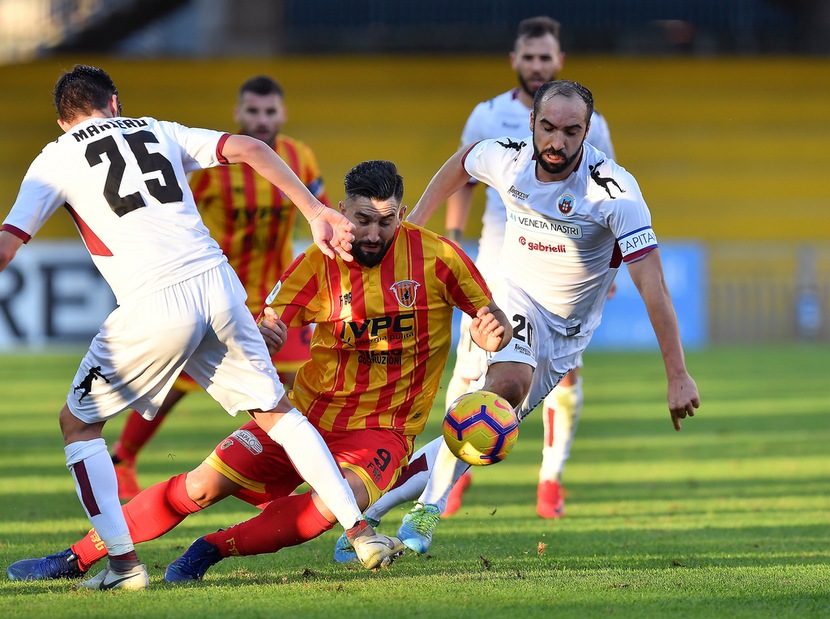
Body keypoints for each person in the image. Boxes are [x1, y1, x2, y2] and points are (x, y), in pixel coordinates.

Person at [6, 160, 511, 583]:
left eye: (387, 221)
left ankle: (210, 549)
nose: (374, 234)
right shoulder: (319, 263)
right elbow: (272, 320)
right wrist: (268, 334)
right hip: (307, 418)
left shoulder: (438, 258)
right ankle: (77, 557)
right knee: (201, 487)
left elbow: (494, 319)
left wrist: (494, 334)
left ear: (401, 213)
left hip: (383, 429)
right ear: (342, 211)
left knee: (334, 506)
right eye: (363, 220)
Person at [0, 65, 400, 590]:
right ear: (114, 102)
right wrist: (314, 209)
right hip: (219, 285)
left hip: (154, 300)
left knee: (78, 426)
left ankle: (123, 567)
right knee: (277, 411)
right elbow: (251, 149)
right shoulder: (157, 128)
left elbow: (7, 246)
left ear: (62, 121)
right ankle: (360, 532)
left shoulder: (55, 158)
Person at [353, 80, 700, 557]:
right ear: (532, 123)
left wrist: (677, 374)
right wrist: (413, 229)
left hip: (567, 333)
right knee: (505, 388)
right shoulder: (509, 157)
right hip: (513, 297)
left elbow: (653, 284)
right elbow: (463, 160)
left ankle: (369, 515)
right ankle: (427, 511)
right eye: (548, 128)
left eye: (571, 132)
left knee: (489, 426)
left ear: (587, 132)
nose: (557, 142)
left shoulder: (614, 191)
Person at [111, 75, 330, 501]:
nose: (262, 119)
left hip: (278, 299)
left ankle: (278, 474)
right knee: (176, 385)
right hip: (220, 295)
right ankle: (124, 457)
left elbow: (316, 207)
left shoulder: (300, 158)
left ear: (282, 113)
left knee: (298, 383)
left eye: (269, 111)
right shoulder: (213, 166)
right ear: (238, 113)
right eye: (253, 111)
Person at [441, 15, 617, 519]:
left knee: (565, 374)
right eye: (530, 57)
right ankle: (454, 471)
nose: (538, 66)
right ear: (514, 60)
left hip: (562, 270)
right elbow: (463, 178)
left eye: (546, 58)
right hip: (496, 262)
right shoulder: (486, 115)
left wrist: (607, 273)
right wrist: (454, 241)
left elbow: (607, 194)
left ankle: (550, 479)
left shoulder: (591, 122)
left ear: (559, 61)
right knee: (470, 369)